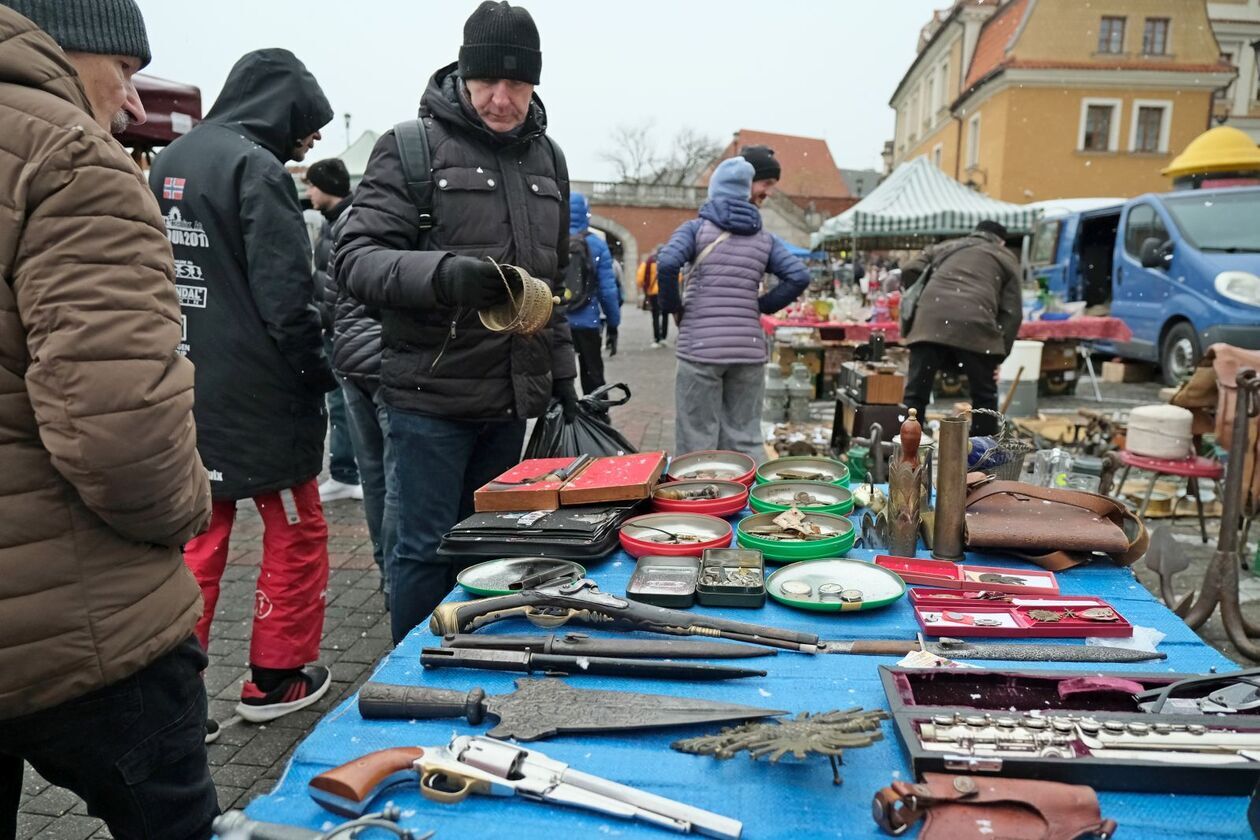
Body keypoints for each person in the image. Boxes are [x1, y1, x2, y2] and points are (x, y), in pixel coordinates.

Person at [0, 2, 218, 836]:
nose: (130, 103)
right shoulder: (67, 157)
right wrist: (189, 509)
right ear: (68, 43)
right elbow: (121, 435)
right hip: (81, 632)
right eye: (124, 72)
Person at [335, 0, 578, 643]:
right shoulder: (410, 147)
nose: (501, 99)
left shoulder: (548, 159)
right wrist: (441, 276)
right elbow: (355, 259)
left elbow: (546, 286)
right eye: (486, 82)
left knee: (489, 548)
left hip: (506, 402)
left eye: (518, 84)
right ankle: (415, 680)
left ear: (535, 83)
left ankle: (478, 650)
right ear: (461, 76)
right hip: (427, 397)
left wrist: (563, 376)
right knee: (422, 549)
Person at [150, 48, 337, 723]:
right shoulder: (256, 169)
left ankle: (175, 702)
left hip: (187, 385)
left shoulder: (171, 159)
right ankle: (276, 678)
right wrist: (320, 373)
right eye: (306, 128)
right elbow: (289, 300)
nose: (308, 141)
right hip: (262, 397)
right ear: (282, 109)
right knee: (297, 529)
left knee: (197, 541)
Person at [657, 157, 811, 464]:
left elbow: (667, 262)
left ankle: (700, 504)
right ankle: (750, 503)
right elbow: (799, 276)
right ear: (745, 193)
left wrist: (674, 306)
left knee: (697, 438)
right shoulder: (765, 238)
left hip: (699, 348)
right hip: (748, 350)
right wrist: (759, 307)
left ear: (715, 191)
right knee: (744, 436)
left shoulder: (695, 229)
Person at [327, 199, 398, 603]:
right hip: (388, 360)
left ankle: (383, 569)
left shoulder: (346, 221)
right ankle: (395, 576)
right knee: (397, 482)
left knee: (373, 475)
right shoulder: (405, 212)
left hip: (351, 361)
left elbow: (327, 296)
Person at [901, 220, 1022, 437]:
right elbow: (1012, 312)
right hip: (975, 326)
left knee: (915, 395)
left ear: (975, 233)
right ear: (1001, 241)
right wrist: (997, 356)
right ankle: (981, 457)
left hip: (929, 322)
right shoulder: (1004, 257)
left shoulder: (947, 246)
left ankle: (908, 453)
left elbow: (910, 268)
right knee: (984, 398)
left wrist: (933, 287)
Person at [307, 157, 364, 504]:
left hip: (341, 330)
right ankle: (344, 471)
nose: (309, 190)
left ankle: (347, 473)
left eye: (313, 184)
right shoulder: (336, 220)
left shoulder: (345, 221)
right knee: (339, 404)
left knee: (344, 404)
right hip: (335, 327)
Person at [566, 193, 622, 394]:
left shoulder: (551, 240)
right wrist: (613, 322)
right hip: (587, 320)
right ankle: (597, 418)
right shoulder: (596, 244)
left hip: (556, 322)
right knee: (593, 374)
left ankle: (556, 417)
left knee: (557, 376)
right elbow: (608, 291)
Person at [638, 246, 669, 347]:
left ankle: (657, 338)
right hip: (665, 292)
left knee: (655, 315)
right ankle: (664, 336)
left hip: (653, 293)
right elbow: (677, 277)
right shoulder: (668, 261)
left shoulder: (649, 261)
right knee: (665, 315)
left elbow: (640, 278)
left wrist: (645, 288)